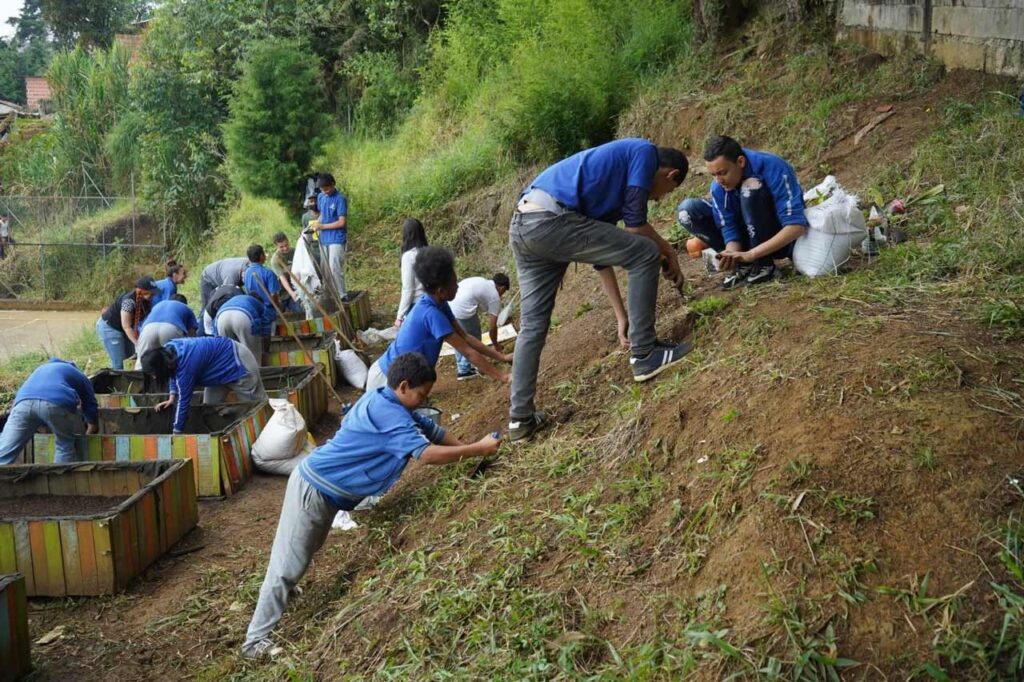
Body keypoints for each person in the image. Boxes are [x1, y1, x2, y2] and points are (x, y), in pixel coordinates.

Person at [241, 352, 501, 661]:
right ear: (404, 386)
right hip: (313, 489)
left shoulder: (387, 399)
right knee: (285, 566)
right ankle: (254, 643)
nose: (422, 401)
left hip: (325, 491)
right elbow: (426, 454)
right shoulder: (388, 412)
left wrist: (471, 448)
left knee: (304, 550)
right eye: (421, 395)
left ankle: (286, 592)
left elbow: (432, 431)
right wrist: (476, 450)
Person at [508, 138, 691, 441]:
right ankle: (645, 354)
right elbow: (635, 225)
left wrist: (622, 316)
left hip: (525, 225)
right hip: (551, 220)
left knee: (532, 327)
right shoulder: (643, 152)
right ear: (670, 175)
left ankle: (520, 420)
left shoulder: (606, 189)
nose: (656, 199)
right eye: (664, 195)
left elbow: (601, 261)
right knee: (645, 252)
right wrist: (667, 252)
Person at [365, 247, 512, 391]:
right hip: (386, 379)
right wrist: (503, 377)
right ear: (441, 291)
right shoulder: (432, 314)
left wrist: (503, 357)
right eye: (454, 284)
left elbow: (466, 338)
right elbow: (467, 352)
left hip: (401, 376)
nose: (458, 287)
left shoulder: (440, 304)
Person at [676, 135, 807, 289]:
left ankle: (763, 264)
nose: (719, 180)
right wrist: (732, 255)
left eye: (722, 173)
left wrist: (752, 254)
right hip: (747, 241)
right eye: (713, 175)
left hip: (778, 238)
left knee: (750, 187)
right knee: (687, 211)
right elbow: (729, 227)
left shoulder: (774, 167)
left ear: (740, 162)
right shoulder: (718, 186)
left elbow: (796, 226)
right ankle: (744, 266)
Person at [141, 337, 267, 434]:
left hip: (238, 361)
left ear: (160, 367)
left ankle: (265, 439)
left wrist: (176, 432)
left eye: (154, 373)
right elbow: (172, 371)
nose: (154, 377)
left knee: (256, 408)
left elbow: (184, 401)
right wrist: (172, 397)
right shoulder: (168, 350)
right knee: (209, 410)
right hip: (217, 370)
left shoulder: (186, 366)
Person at [0, 358, 98, 465]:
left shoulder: (40, 369)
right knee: (64, 446)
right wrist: (92, 425)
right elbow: (90, 403)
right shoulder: (79, 374)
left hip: (22, 404)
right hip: (57, 402)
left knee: (5, 450)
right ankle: (58, 480)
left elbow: (34, 400)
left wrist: (40, 425)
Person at [449, 273, 510, 380]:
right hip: (461, 309)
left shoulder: (483, 281)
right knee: (473, 337)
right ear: (502, 287)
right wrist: (496, 346)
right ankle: (465, 370)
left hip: (449, 304)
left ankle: (462, 368)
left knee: (459, 337)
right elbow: (492, 327)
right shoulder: (494, 296)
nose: (502, 295)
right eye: (503, 292)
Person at [96, 276, 159, 368]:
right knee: (119, 363)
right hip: (110, 328)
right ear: (140, 291)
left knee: (131, 358)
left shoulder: (146, 300)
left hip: (125, 329)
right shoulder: (128, 302)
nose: (153, 295)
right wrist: (138, 343)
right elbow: (126, 326)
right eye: (151, 292)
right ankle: (116, 381)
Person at [133, 295, 198, 369]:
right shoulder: (186, 308)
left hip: (148, 329)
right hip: (171, 328)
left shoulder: (158, 305)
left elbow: (141, 327)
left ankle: (135, 379)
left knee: (142, 360)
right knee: (176, 361)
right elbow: (192, 337)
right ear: (185, 303)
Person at [315, 173, 349, 300]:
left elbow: (341, 222)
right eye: (323, 189)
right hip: (324, 238)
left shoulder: (340, 199)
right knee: (326, 269)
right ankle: (330, 295)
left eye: (327, 189)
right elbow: (322, 214)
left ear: (333, 184)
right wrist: (318, 223)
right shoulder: (321, 197)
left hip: (337, 237)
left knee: (335, 267)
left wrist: (323, 226)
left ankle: (342, 295)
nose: (325, 191)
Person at [215, 293, 273, 362]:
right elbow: (266, 330)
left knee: (229, 356)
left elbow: (216, 334)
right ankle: (256, 372)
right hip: (243, 315)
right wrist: (266, 350)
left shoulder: (237, 298)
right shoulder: (260, 304)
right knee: (253, 357)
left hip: (221, 318)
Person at [395, 217, 428, 326]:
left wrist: (399, 316)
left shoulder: (409, 256)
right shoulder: (429, 252)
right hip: (431, 300)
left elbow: (408, 289)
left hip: (417, 304)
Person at [268, 232, 304, 315]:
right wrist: (291, 293)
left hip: (296, 286)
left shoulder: (294, 251)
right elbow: (282, 278)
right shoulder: (275, 260)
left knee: (300, 310)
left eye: (286, 244)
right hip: (283, 292)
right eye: (281, 247)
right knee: (278, 314)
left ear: (288, 241)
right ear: (276, 246)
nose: (285, 248)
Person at [243, 244, 282, 310]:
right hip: (268, 308)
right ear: (261, 256)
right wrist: (278, 307)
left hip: (254, 307)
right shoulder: (268, 273)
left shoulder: (246, 272)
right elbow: (273, 294)